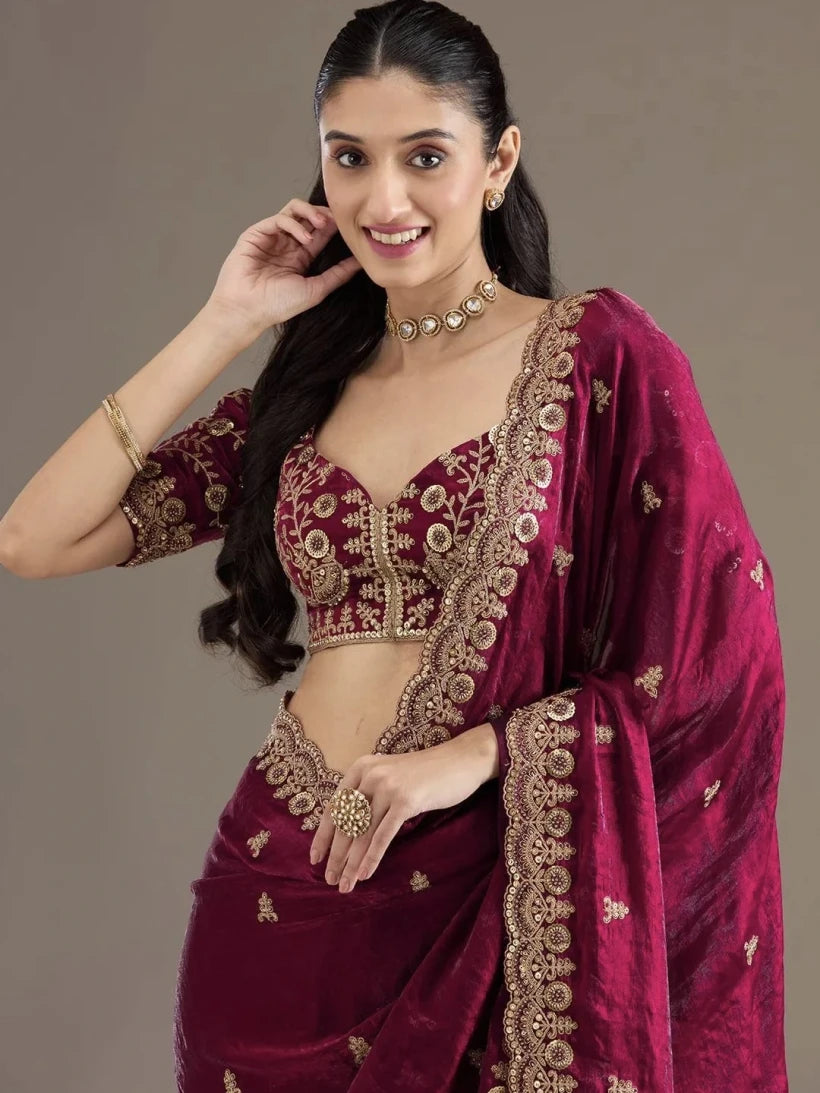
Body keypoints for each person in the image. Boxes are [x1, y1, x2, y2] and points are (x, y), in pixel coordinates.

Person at [0, 1, 788, 1090]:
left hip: (486, 893)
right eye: (349, 158)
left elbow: (720, 659)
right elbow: (34, 536)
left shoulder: (597, 358)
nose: (383, 201)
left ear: (497, 162)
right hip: (278, 894)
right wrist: (228, 320)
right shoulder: (303, 400)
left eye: (424, 156)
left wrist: (482, 753)